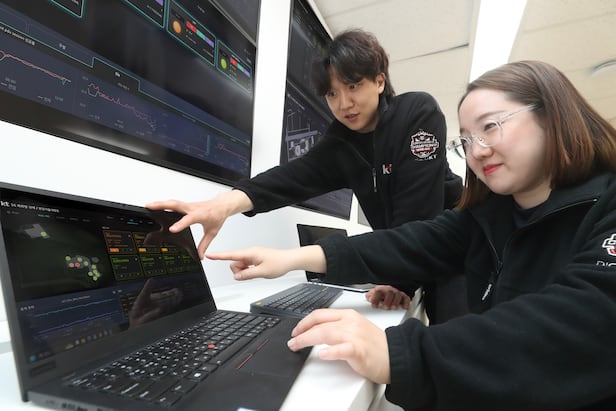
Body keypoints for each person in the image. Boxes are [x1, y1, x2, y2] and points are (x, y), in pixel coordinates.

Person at [204, 60, 616, 410]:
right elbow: (412, 241)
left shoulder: (606, 205)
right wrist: (289, 258)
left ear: (552, 114)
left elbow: (588, 320)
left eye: (491, 127)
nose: (478, 151)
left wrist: (398, 352)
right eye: (467, 140)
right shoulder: (490, 216)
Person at [147, 29, 465, 319]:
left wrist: (399, 280)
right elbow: (289, 178)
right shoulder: (341, 143)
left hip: (462, 251)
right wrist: (221, 206)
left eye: (353, 86)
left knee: (456, 335)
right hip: (414, 258)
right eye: (332, 94)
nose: (344, 104)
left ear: (380, 82)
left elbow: (417, 225)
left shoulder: (416, 114)